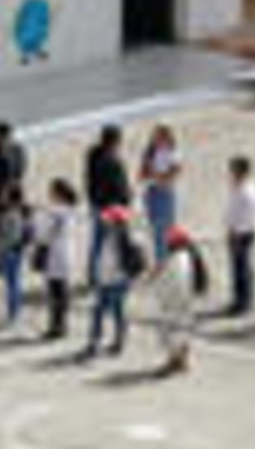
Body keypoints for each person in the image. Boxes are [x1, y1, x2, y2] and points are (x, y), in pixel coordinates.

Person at [83, 205, 141, 359]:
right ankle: (114, 341)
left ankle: (99, 341)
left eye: (108, 219)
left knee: (105, 311)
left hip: (114, 281)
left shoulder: (119, 239)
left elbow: (110, 261)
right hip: (113, 280)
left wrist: (102, 278)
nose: (104, 221)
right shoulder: (117, 236)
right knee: (112, 312)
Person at [150, 226, 206, 376]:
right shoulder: (188, 257)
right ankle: (182, 360)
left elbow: (173, 283)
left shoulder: (177, 261)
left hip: (176, 303)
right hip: (186, 302)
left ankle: (174, 361)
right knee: (183, 332)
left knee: (173, 334)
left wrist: (162, 293)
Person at [83, 126, 132, 285]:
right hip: (111, 206)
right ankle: (114, 272)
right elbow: (119, 186)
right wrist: (125, 201)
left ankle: (93, 274)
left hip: (97, 204)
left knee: (97, 240)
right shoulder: (111, 160)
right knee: (115, 240)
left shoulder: (94, 156)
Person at [35, 179, 79, 340]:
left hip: (55, 254)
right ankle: (62, 324)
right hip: (68, 253)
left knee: (54, 292)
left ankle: (55, 325)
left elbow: (42, 234)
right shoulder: (71, 211)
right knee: (63, 291)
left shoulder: (52, 212)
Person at [222, 157, 255, 317]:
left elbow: (247, 216)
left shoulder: (247, 191)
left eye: (233, 170)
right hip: (237, 231)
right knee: (238, 268)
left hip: (242, 234)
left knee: (242, 269)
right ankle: (240, 299)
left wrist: (235, 233)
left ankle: (243, 301)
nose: (231, 173)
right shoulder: (237, 187)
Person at [138, 125, 182, 263]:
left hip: (165, 192)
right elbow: (142, 174)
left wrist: (154, 174)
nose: (156, 140)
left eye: (158, 137)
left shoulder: (172, 153)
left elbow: (172, 175)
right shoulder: (150, 152)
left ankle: (165, 258)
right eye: (155, 137)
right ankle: (161, 259)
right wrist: (149, 172)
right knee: (156, 228)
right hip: (151, 191)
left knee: (166, 227)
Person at [0, 183, 31, 327]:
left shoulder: (11, 215)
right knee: (14, 281)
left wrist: (2, 246)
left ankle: (13, 312)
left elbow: (8, 235)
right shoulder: (22, 213)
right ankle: (14, 311)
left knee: (12, 283)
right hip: (16, 251)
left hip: (9, 250)